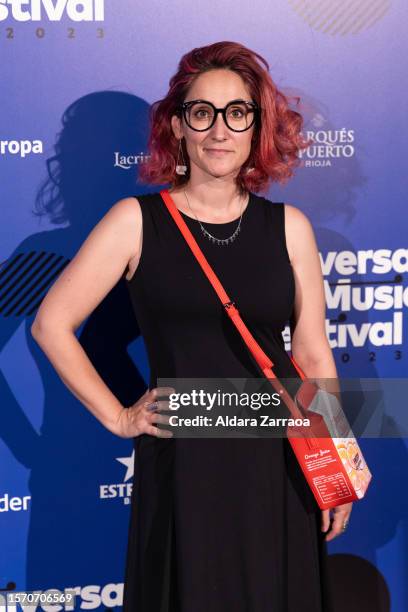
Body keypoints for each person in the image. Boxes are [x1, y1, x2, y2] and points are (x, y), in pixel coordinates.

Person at [31, 41, 352, 611]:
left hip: (279, 460)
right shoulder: (135, 221)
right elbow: (51, 324)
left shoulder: (289, 227)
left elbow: (313, 355)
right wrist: (119, 416)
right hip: (187, 467)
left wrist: (334, 466)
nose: (219, 130)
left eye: (237, 113)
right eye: (201, 113)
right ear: (177, 127)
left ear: (257, 127)